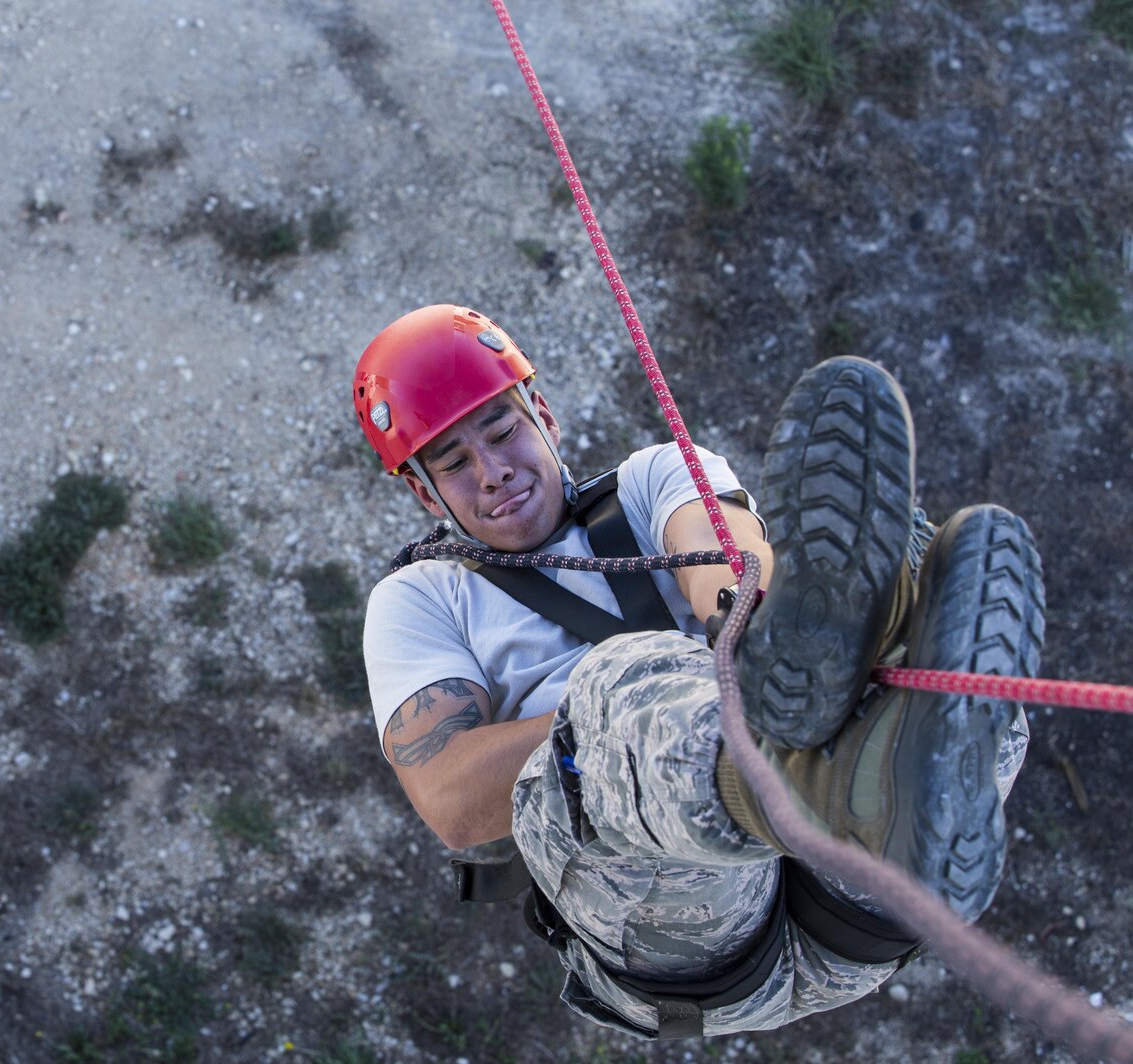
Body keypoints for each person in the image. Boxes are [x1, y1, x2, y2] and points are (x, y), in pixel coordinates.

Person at [354, 304, 1044, 1039]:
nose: (493, 473)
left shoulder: (653, 480)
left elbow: (728, 570)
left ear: (543, 414)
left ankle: (908, 755)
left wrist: (756, 626)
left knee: (898, 560)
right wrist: (624, 721)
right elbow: (451, 799)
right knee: (619, 684)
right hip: (690, 938)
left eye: (503, 432)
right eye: (455, 464)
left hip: (859, 902)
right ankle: (806, 774)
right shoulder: (423, 600)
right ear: (425, 493)